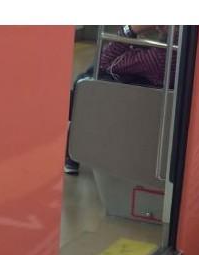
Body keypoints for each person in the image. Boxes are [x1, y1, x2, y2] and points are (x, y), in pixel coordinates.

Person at [64, 25, 177, 174]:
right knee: (91, 76)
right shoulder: (177, 53)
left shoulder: (161, 58)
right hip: (145, 95)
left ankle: (71, 147)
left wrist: (131, 29)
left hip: (129, 103)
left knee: (88, 79)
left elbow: (105, 62)